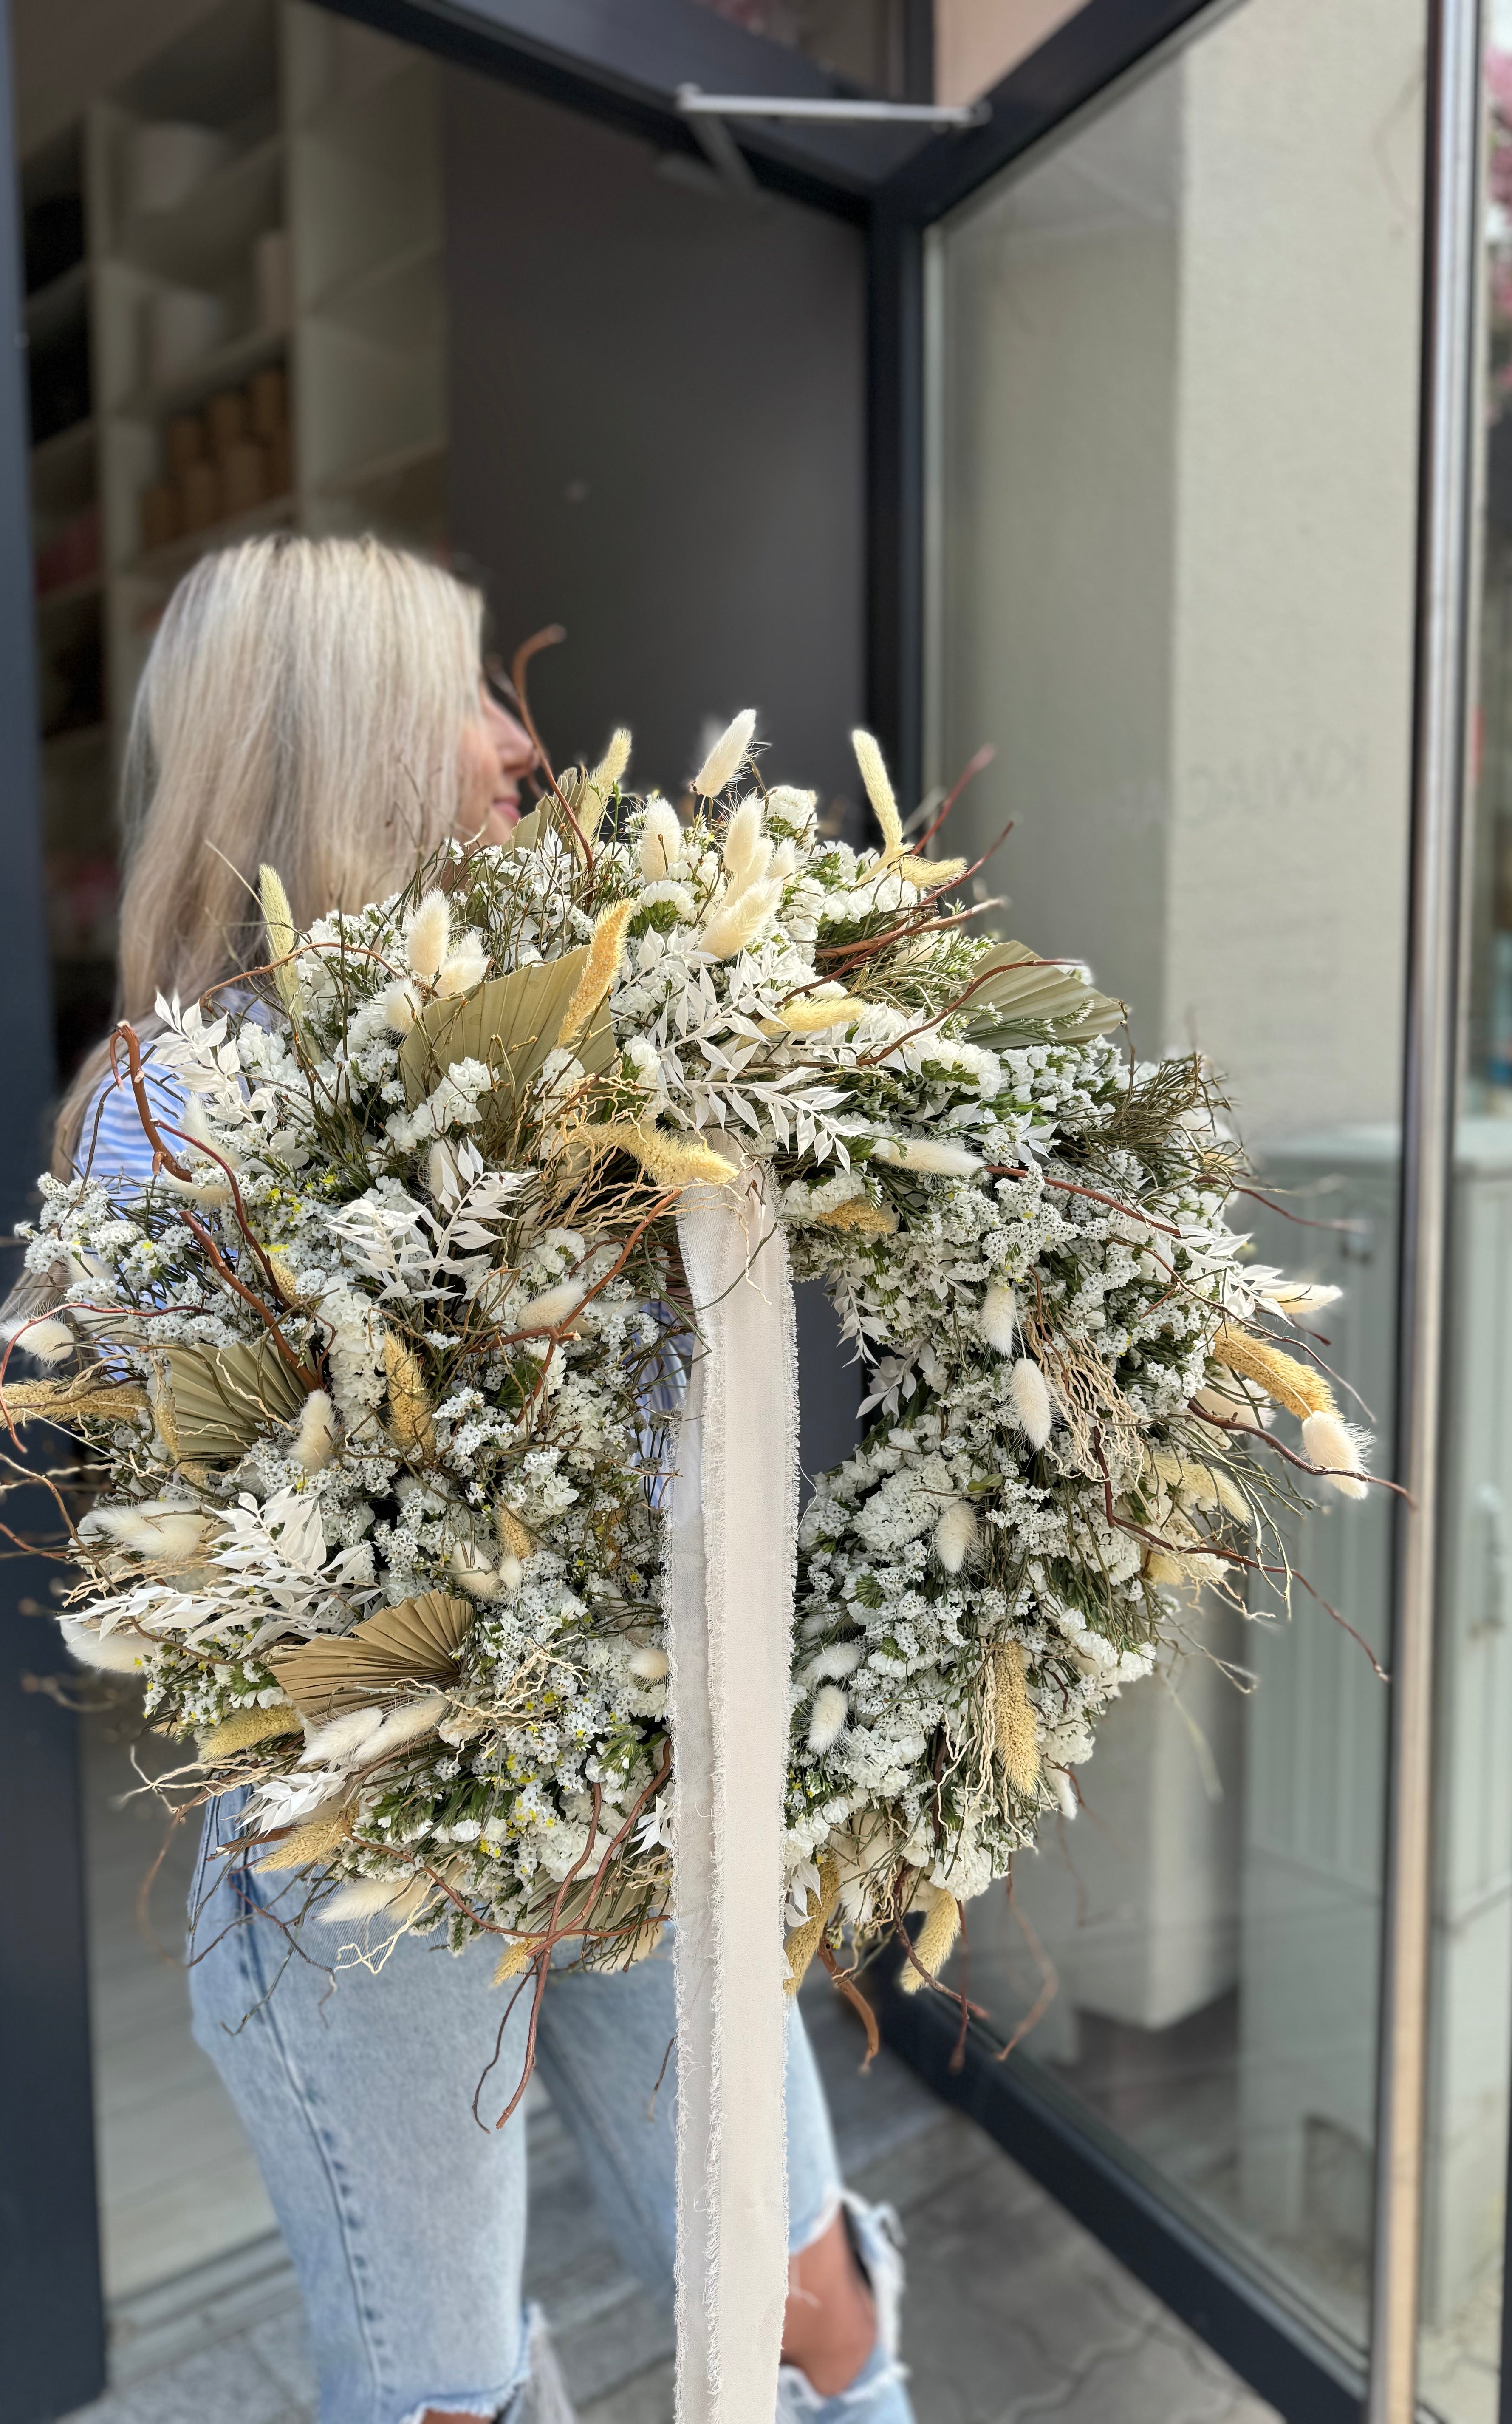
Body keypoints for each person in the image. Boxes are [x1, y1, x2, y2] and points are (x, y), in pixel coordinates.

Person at [58, 534, 912, 2424]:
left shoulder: (575, 1025)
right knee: (456, 2402)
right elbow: (241, 1559)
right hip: (373, 1869)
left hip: (632, 1796)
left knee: (808, 2292)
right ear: (341, 734)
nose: (522, 740)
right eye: (464, 691)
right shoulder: (174, 1108)